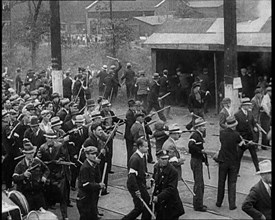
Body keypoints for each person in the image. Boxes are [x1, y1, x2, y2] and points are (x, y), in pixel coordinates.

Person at [37, 130, 70, 220]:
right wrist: (45, 165)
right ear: (46, 138)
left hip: (59, 175)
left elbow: (64, 156)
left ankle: (65, 216)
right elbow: (38, 160)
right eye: (48, 138)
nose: (50, 140)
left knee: (63, 197)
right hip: (48, 176)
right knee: (47, 197)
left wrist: (59, 160)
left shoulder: (60, 146)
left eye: (52, 138)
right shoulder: (42, 148)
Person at [13, 141, 50, 211]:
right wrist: (23, 175)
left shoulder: (37, 161)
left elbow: (47, 170)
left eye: (32, 153)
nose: (31, 155)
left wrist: (44, 176)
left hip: (38, 192)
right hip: (26, 194)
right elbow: (14, 178)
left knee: (43, 212)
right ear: (25, 154)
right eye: (29, 154)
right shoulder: (20, 165)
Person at [216, 116, 242, 210]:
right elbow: (240, 144)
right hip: (233, 161)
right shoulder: (236, 134)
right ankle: (232, 204)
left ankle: (219, 202)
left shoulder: (222, 133)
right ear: (234, 125)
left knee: (221, 182)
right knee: (232, 183)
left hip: (223, 160)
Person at [122, 137, 151, 220]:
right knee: (139, 207)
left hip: (140, 183)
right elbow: (131, 176)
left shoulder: (142, 156)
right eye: (145, 146)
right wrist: (136, 190)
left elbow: (139, 171)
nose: (147, 148)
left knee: (147, 201)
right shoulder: (135, 158)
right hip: (135, 185)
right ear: (140, 147)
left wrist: (144, 174)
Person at [152, 150, 185, 220]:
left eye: (166, 159)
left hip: (171, 205)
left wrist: (158, 197)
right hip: (161, 205)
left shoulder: (173, 171)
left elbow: (171, 189)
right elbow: (155, 181)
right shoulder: (156, 167)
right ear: (158, 159)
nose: (165, 161)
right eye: (163, 159)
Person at [76, 146, 105, 220]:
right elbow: (85, 184)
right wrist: (98, 185)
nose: (94, 156)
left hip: (91, 198)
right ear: (86, 155)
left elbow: (97, 177)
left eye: (95, 154)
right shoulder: (85, 167)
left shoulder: (93, 165)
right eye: (92, 154)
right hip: (85, 199)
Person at [234, 97, 259, 173]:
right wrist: (239, 138)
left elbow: (253, 123)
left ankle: (258, 169)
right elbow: (235, 128)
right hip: (242, 139)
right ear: (243, 105)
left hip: (250, 138)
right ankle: (236, 171)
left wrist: (255, 127)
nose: (249, 106)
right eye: (247, 105)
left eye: (249, 105)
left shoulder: (250, 113)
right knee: (238, 156)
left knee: (254, 155)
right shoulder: (237, 115)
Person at [188, 117, 208, 212]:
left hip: (198, 160)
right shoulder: (195, 136)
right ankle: (198, 205)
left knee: (200, 183)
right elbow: (190, 146)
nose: (204, 127)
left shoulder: (198, 135)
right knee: (198, 183)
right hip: (196, 160)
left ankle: (199, 203)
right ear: (198, 127)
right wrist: (201, 151)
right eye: (203, 126)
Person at [124, 99, 136, 168]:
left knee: (131, 151)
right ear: (131, 106)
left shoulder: (132, 112)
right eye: (133, 106)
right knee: (130, 152)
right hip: (129, 136)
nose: (134, 107)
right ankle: (129, 166)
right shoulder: (129, 114)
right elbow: (131, 124)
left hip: (130, 135)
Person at [260, 85, 271, 149]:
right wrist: (268, 112)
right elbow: (264, 105)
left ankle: (267, 143)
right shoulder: (265, 97)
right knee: (265, 130)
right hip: (264, 115)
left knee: (268, 129)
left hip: (267, 116)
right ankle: (264, 145)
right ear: (268, 92)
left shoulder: (268, 98)